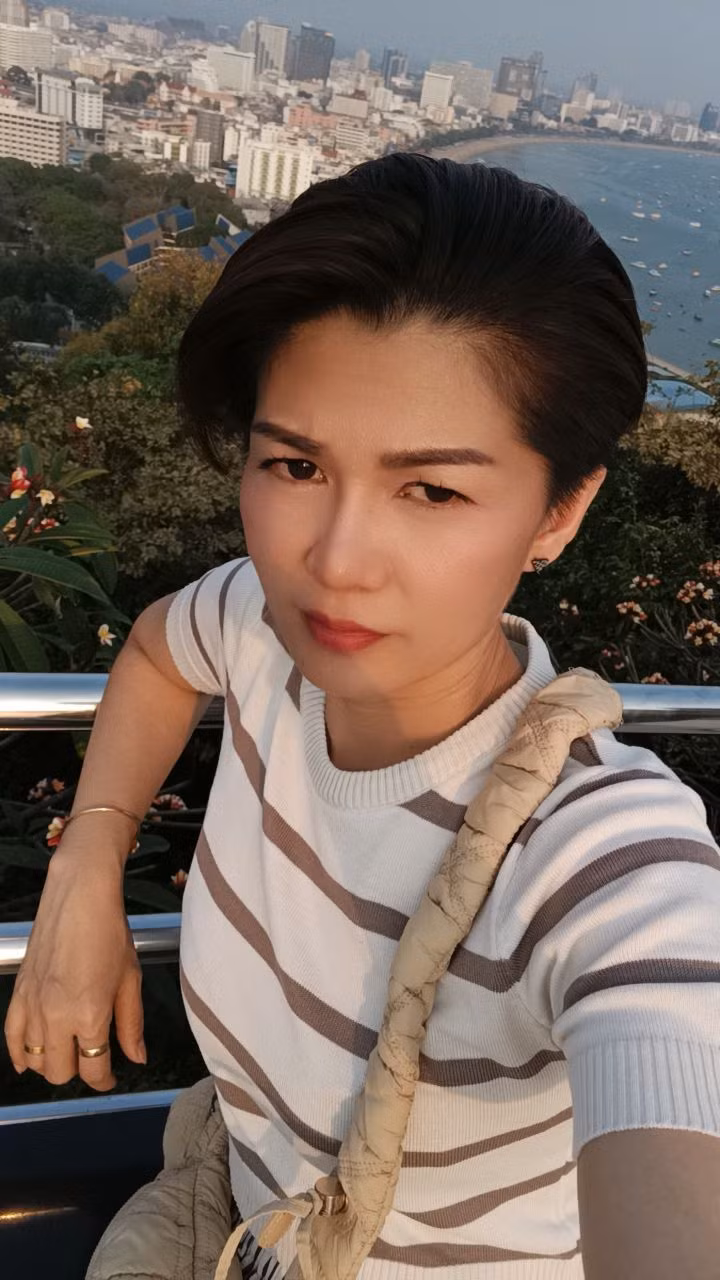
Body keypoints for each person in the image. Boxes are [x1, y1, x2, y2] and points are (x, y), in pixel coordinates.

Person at [5, 154, 720, 1279]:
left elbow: (671, 1096)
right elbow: (155, 650)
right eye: (295, 464)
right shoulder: (259, 627)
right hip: (236, 1223)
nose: (334, 562)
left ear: (560, 512)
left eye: (432, 489)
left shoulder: (602, 859)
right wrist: (88, 858)